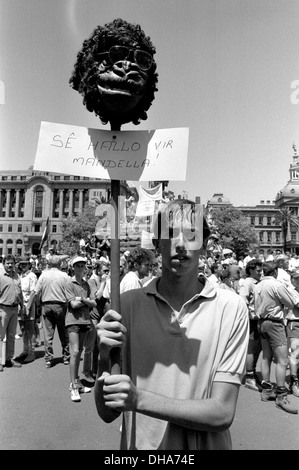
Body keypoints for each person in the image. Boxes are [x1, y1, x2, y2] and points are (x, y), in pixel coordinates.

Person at [95, 199, 249, 450]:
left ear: (205, 244)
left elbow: (222, 412)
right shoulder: (125, 305)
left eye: (191, 234)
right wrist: (103, 356)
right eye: (169, 234)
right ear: (156, 244)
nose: (180, 245)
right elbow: (107, 412)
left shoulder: (231, 308)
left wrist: (140, 399)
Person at [254, 261, 299, 414]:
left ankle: (266, 390)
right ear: (275, 272)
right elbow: (292, 302)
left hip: (261, 322)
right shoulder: (276, 285)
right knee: (282, 360)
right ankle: (281, 395)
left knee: (266, 357)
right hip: (274, 323)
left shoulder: (258, 285)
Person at [65, 256, 97, 402]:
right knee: (75, 351)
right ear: (73, 267)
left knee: (79, 353)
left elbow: (94, 303)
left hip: (85, 321)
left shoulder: (86, 284)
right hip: (72, 321)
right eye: (78, 265)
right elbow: (73, 305)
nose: (81, 268)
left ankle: (77, 382)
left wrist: (82, 300)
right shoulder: (69, 283)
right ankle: (73, 385)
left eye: (83, 265)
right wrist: (85, 302)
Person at [32, 255, 70, 368]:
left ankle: (48, 358)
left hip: (46, 305)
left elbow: (36, 292)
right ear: (59, 264)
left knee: (48, 334)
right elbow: (69, 291)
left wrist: (38, 304)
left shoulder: (44, 275)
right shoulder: (64, 276)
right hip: (60, 305)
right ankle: (66, 356)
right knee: (64, 332)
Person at [82, 262, 110, 382]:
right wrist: (103, 282)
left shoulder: (108, 281)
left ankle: (97, 370)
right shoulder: (92, 282)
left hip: (103, 316)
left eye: (107, 271)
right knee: (91, 346)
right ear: (98, 271)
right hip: (94, 317)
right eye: (104, 271)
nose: (106, 273)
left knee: (101, 346)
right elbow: (97, 296)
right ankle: (87, 372)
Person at [239, 259, 263, 392]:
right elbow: (243, 301)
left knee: (258, 347)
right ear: (251, 270)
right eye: (258, 271)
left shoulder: (259, 282)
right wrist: (250, 315)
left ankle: (253, 373)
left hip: (259, 319)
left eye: (261, 270)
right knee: (251, 348)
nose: (261, 273)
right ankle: (249, 378)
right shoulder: (247, 283)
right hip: (252, 320)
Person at [0, 255, 23, 371]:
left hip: (15, 308)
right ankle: (0, 361)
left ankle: (9, 359)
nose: (10, 265)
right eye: (7, 263)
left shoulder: (16, 275)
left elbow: (19, 292)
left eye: (11, 263)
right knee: (0, 336)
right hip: (3, 309)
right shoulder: (0, 276)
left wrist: (22, 305)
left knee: (11, 336)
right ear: (4, 263)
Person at [15, 258, 38, 364]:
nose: (23, 266)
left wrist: (28, 307)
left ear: (29, 265)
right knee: (23, 329)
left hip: (28, 304)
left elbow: (33, 292)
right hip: (20, 305)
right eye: (21, 264)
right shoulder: (20, 276)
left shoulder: (32, 275)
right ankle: (25, 350)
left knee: (30, 329)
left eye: (25, 264)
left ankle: (32, 352)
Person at [285, 271, 299, 397]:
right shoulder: (290, 290)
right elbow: (297, 304)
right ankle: (294, 381)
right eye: (297, 278)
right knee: (296, 351)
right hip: (295, 322)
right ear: (292, 279)